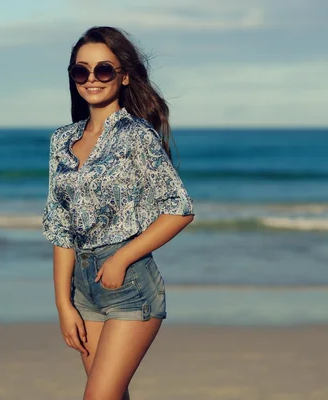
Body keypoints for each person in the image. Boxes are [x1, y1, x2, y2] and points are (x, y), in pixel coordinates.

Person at [42, 26, 194, 400]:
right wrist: (64, 304)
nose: (92, 79)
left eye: (104, 70)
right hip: (83, 287)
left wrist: (122, 258)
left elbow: (179, 209)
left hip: (128, 285)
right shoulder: (62, 139)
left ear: (123, 75)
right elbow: (62, 228)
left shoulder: (137, 135)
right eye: (82, 71)